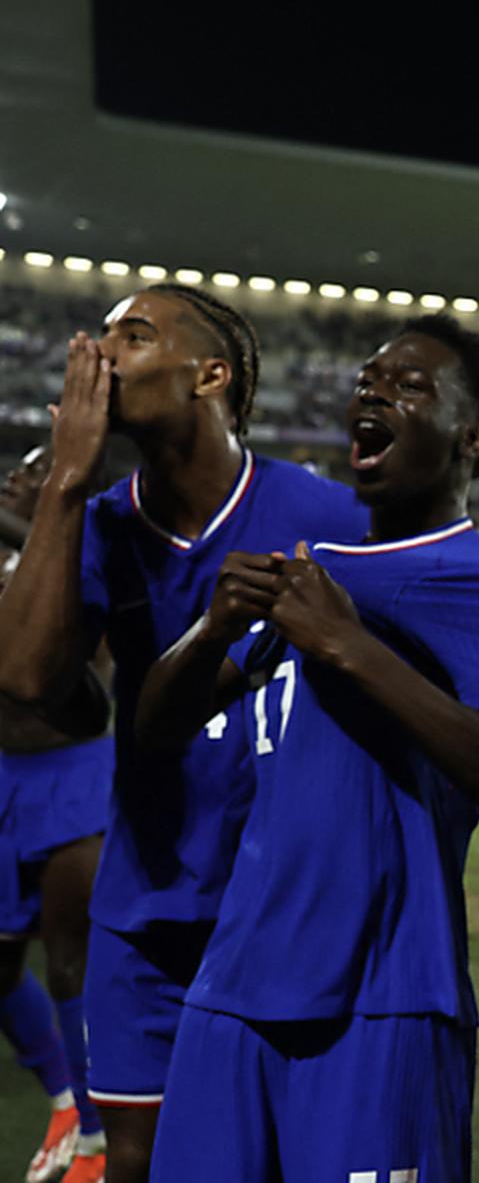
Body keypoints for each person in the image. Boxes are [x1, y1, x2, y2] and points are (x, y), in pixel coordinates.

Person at [132, 313, 479, 1180]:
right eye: (369, 381)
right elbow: (153, 731)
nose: (374, 392)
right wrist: (212, 631)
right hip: (233, 992)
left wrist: (350, 649)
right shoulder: (306, 571)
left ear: (470, 437)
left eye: (410, 385)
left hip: (386, 999)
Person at [0, 285, 367, 1182]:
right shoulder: (101, 520)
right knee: (141, 1164)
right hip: (149, 900)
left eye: (134, 335)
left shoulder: (331, 519)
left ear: (211, 374)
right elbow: (25, 680)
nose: (101, 353)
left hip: (293, 907)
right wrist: (67, 489)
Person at [0, 447, 109, 1183]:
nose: (17, 476)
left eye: (36, 470)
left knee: (73, 963)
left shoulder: (90, 544)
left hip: (75, 772)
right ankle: (68, 1099)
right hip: (2, 772)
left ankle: (99, 1141)